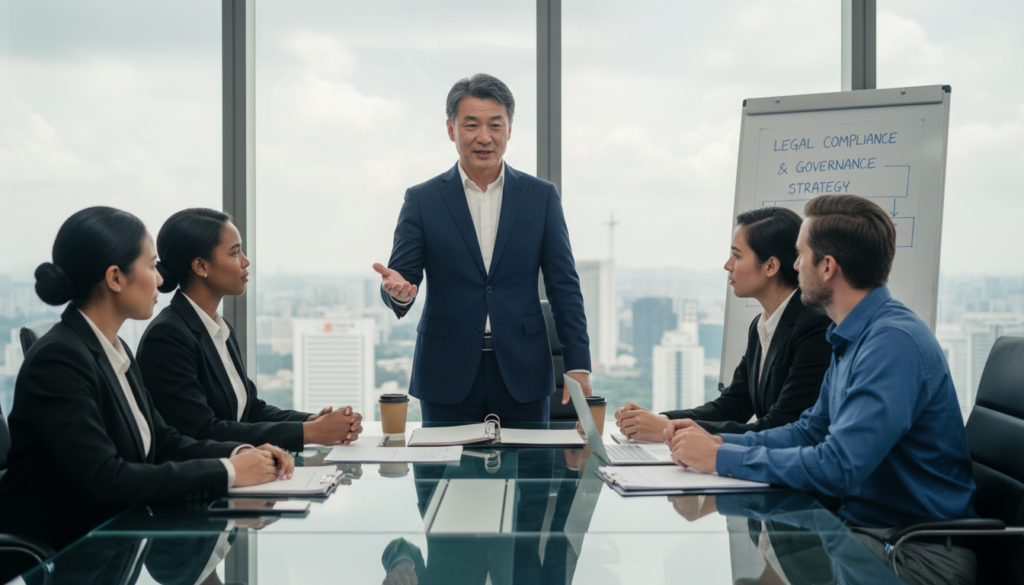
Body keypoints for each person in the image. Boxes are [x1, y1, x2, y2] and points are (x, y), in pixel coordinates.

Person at [667, 195, 977, 584]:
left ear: (827, 267)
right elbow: (809, 430)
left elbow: (838, 467)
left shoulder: (891, 343)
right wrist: (716, 442)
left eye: (800, 255)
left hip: (911, 555)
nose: (794, 266)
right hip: (863, 536)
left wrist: (721, 459)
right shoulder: (853, 335)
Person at [0, 207, 292, 569]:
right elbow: (108, 480)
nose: (160, 280)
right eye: (152, 266)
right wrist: (231, 472)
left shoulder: (113, 349)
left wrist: (242, 453)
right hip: (68, 558)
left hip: (119, 549)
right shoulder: (59, 359)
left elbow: (165, 441)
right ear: (115, 277)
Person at [372, 73, 590, 425]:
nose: (484, 137)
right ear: (450, 129)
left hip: (524, 371)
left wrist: (578, 365)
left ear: (510, 128)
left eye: (495, 125)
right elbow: (402, 279)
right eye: (471, 125)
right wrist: (398, 293)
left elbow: (564, 286)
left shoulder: (541, 197)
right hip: (446, 372)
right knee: (439, 479)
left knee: (530, 477)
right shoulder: (422, 200)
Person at [137, 208, 362, 451]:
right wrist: (311, 433)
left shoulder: (218, 328)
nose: (246, 261)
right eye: (235, 252)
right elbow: (201, 432)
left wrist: (312, 421)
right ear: (201, 265)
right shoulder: (168, 337)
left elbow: (251, 410)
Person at [614, 206, 831, 441]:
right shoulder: (761, 324)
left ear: (770, 266)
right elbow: (732, 405)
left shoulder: (815, 326)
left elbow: (780, 428)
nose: (728, 265)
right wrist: (663, 421)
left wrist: (669, 430)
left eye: (737, 255)